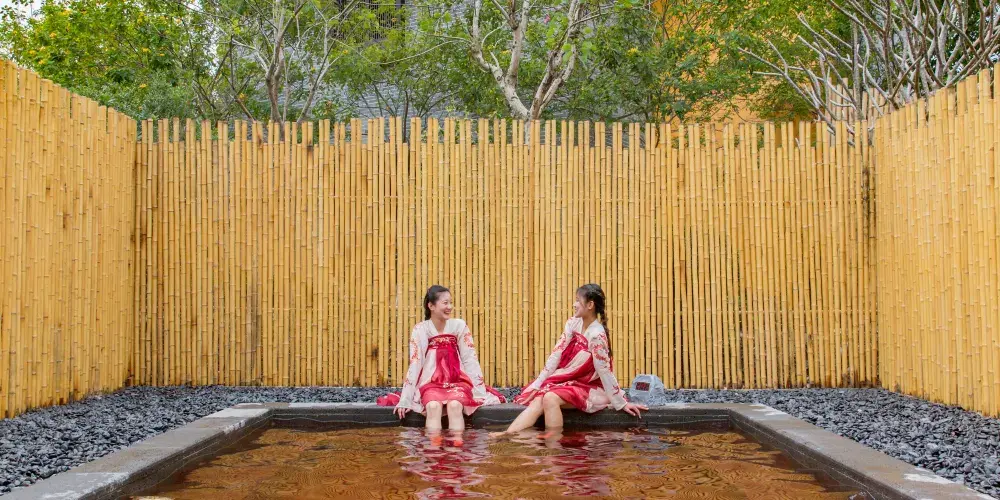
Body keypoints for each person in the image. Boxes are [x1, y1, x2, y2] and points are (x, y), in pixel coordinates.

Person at [494, 284, 646, 436]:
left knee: (550, 398)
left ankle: (553, 445)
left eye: (578, 300)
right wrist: (538, 383)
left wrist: (621, 402)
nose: (574, 304)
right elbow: (556, 354)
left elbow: (604, 371)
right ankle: (508, 434)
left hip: (593, 388)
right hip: (573, 381)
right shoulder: (573, 323)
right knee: (540, 397)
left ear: (590, 305)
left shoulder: (597, 335)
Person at [379, 285, 506, 433]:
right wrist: (406, 399)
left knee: (455, 406)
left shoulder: (459, 326)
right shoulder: (421, 329)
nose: (449, 307)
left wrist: (478, 391)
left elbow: (469, 359)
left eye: (450, 303)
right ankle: (433, 446)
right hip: (431, 383)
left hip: (457, 381)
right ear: (431, 306)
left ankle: (457, 445)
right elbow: (415, 363)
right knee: (433, 407)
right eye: (445, 303)